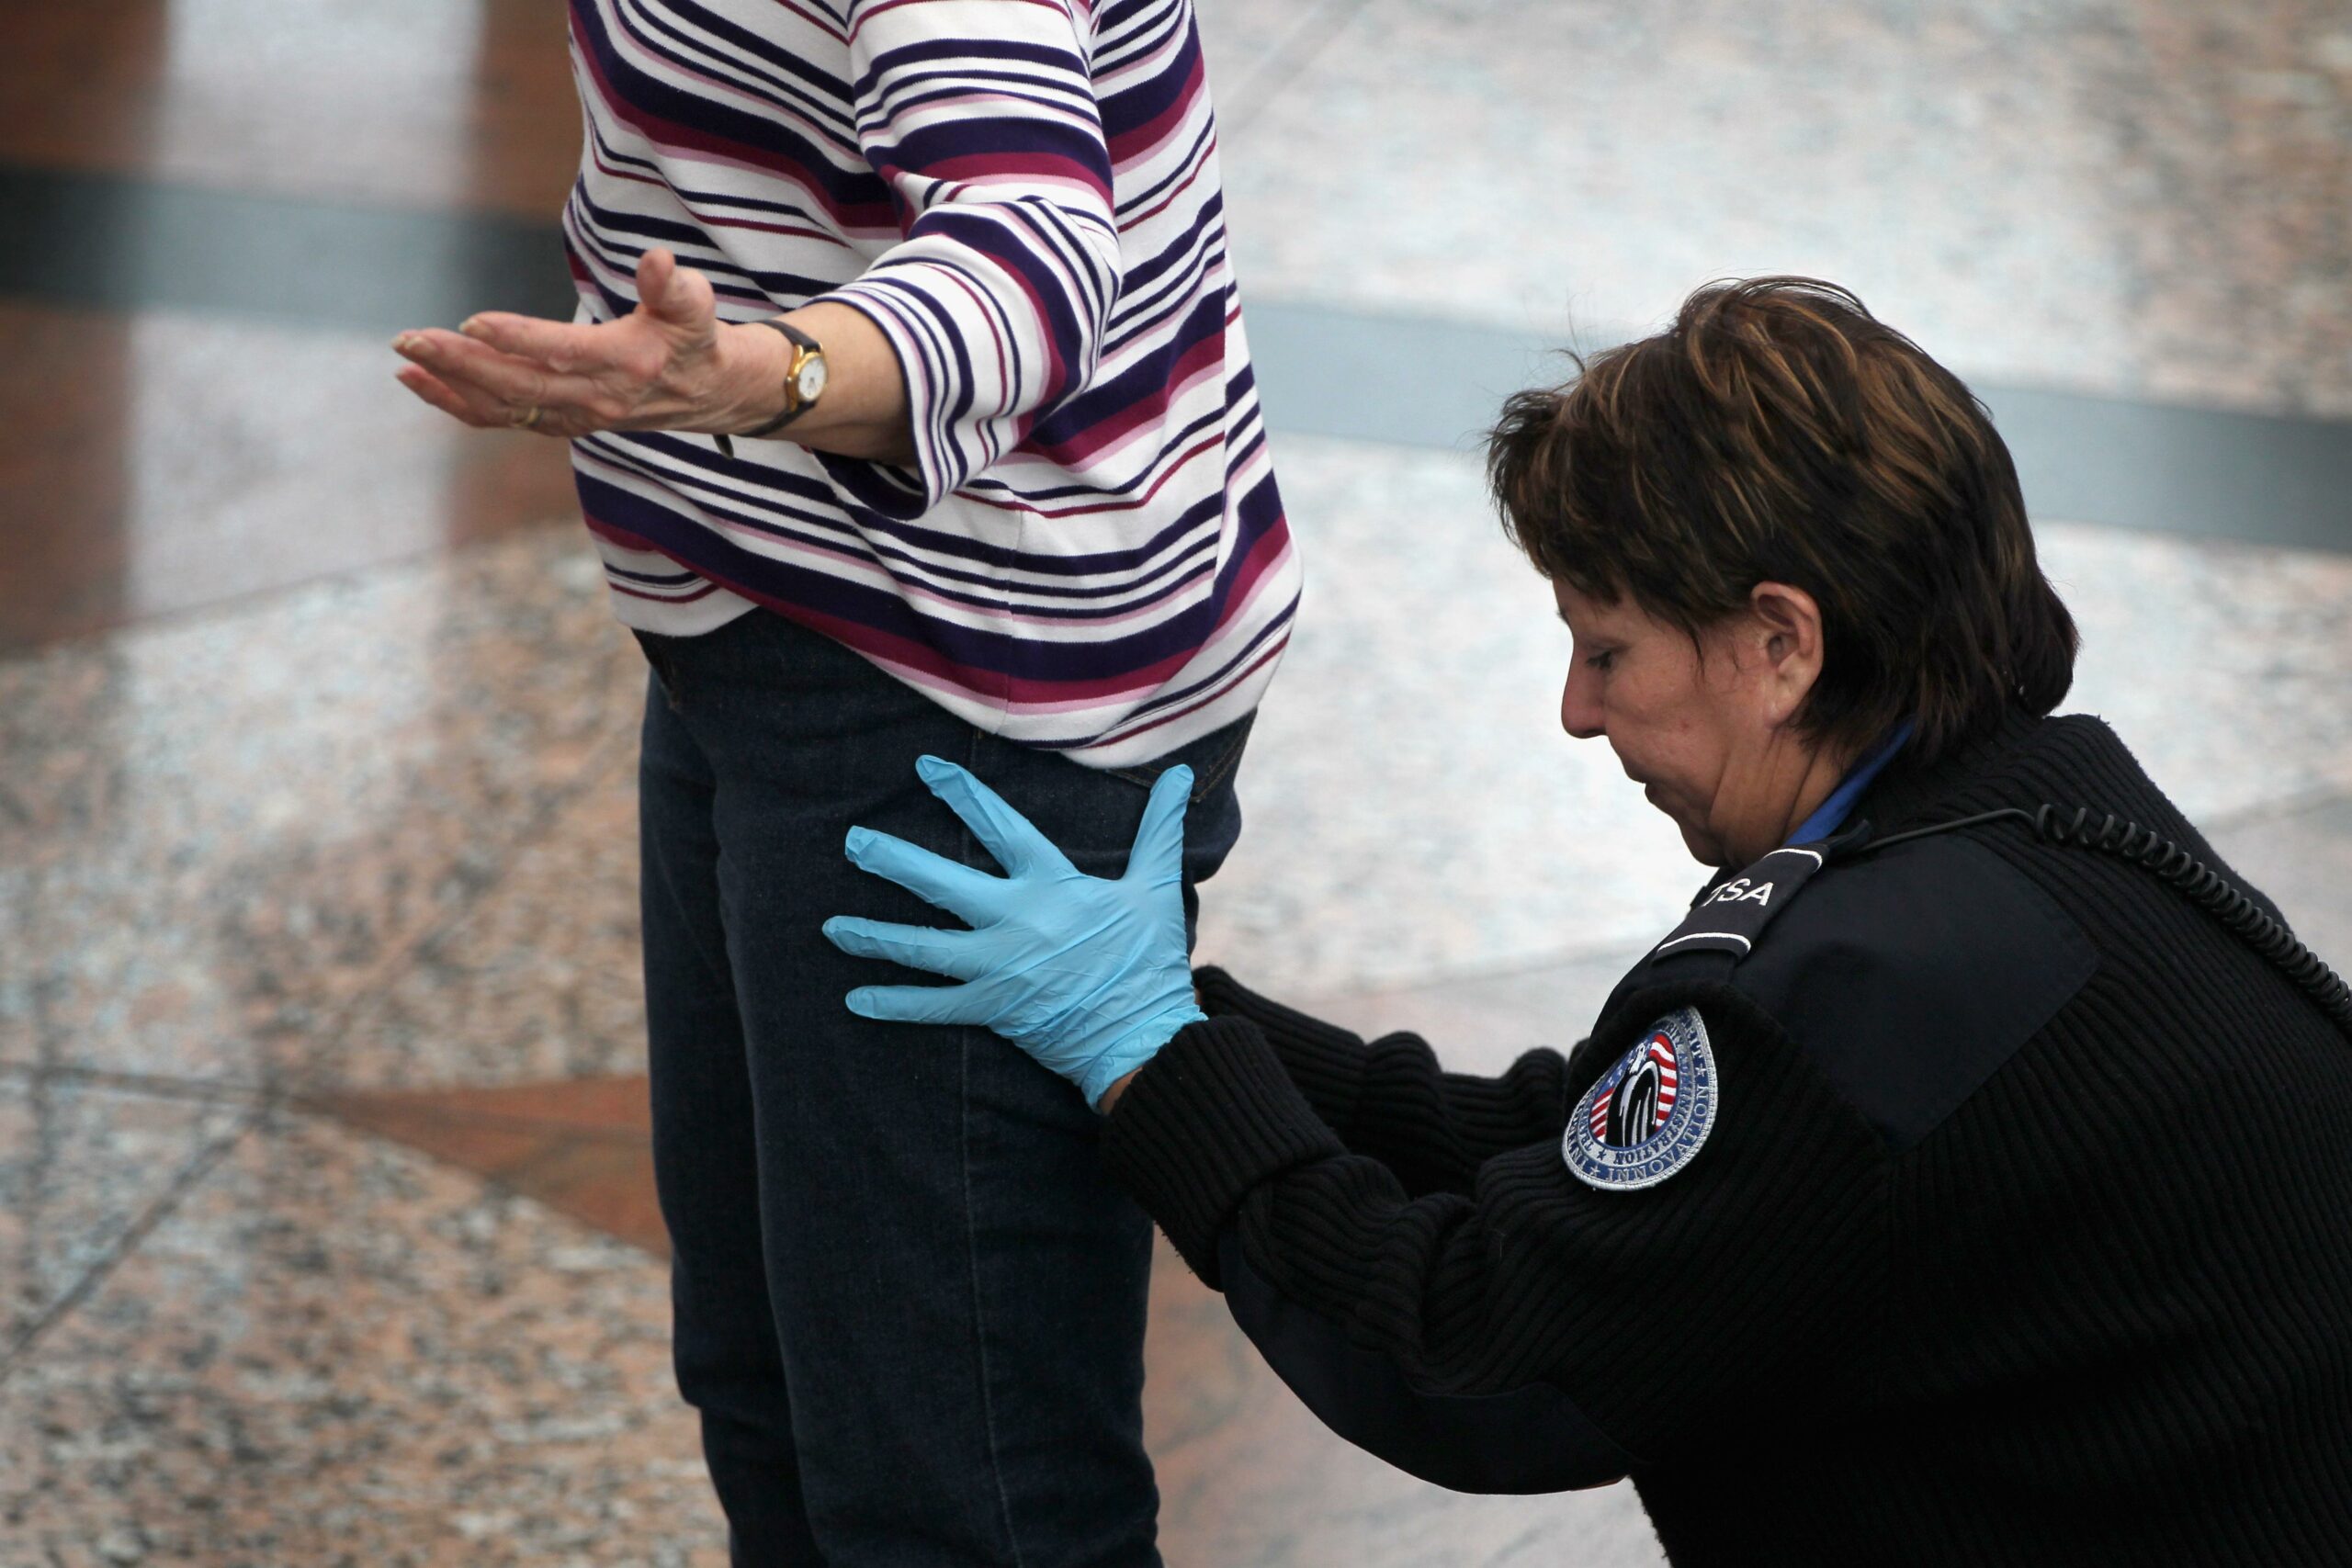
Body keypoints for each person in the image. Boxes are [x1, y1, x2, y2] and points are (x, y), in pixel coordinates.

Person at [824, 278, 2352, 1563]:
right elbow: (1592, 1157)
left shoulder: (1877, 984)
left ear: (1780, 643)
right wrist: (1192, 1025)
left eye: (1608, 648)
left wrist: (1149, 1061)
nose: (1575, 710)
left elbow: (1482, 1358)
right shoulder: (2031, 827)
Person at [390, 1, 1299, 1562]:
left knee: (959, 1490)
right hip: (767, 616)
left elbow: (1030, 265)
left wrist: (758, 377)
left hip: (967, 704)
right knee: (776, 1391)